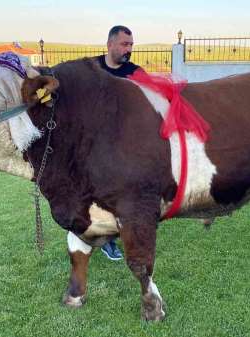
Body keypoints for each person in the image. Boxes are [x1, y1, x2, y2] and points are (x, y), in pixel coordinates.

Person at [97, 25, 141, 261]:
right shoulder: (91, 68)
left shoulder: (135, 72)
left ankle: (116, 236)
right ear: (110, 44)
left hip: (125, 146)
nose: (129, 49)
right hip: (94, 145)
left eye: (131, 45)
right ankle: (104, 238)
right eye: (125, 44)